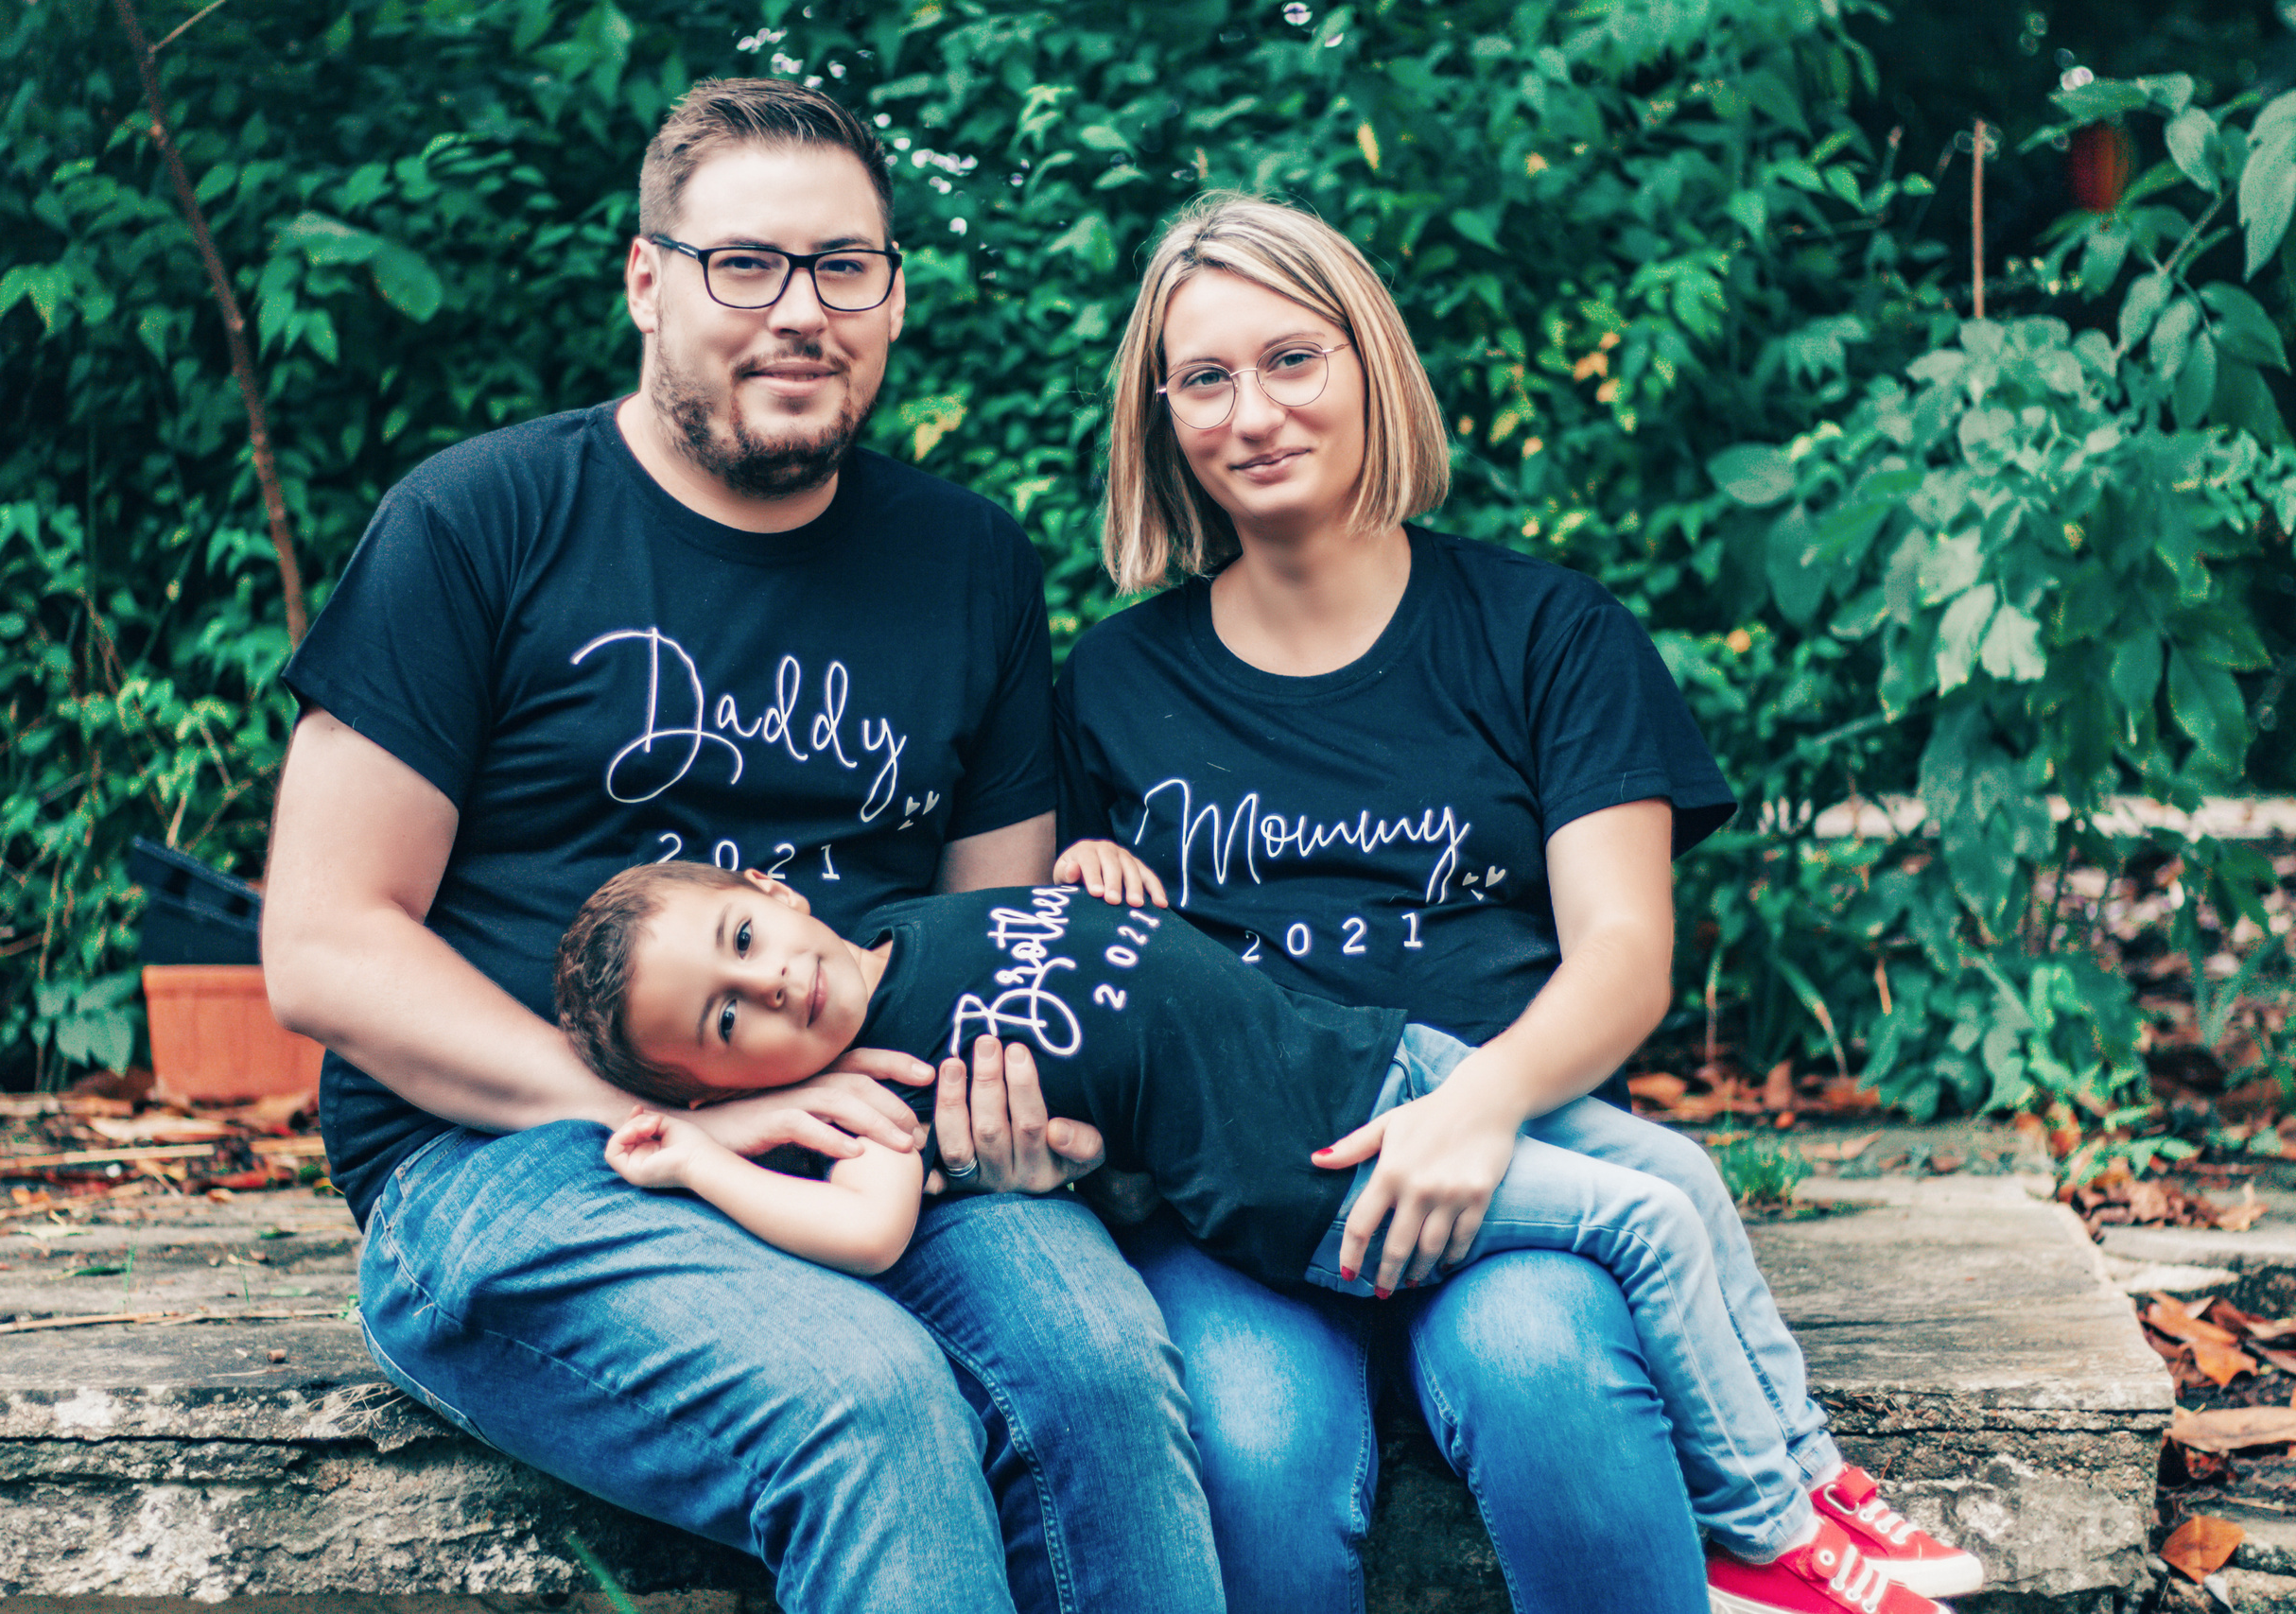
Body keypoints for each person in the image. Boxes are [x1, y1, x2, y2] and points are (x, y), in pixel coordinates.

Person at [257, 78, 1225, 1614]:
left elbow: (999, 948)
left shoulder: (962, 559)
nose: (801, 312)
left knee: (1100, 1370)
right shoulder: (481, 523)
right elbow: (324, 943)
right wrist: (683, 1134)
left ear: (894, 296)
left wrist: (1017, 1122)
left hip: (876, 1138)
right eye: (745, 265)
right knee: (870, 1401)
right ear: (647, 280)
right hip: (515, 1157)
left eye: (846, 267)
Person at [1029, 191, 1983, 1614]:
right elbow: (1073, 972)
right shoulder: (1109, 684)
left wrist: (1473, 1111)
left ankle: (1770, 1539)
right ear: (1160, 414)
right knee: (1253, 1437)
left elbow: (1624, 952)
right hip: (1241, 1192)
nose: (1254, 411)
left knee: (1548, 1370)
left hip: (1508, 1141)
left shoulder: (1546, 634)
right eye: (1206, 377)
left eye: (1294, 359)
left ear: (1371, 363)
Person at [554, 858, 1980, 1614]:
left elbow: (1096, 981)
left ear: (774, 896)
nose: (770, 989)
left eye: (742, 944)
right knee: (1648, 1223)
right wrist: (699, 1158)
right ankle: (1763, 1534)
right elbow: (867, 1237)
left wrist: (1095, 869)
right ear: (712, 1079)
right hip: (1336, 1185)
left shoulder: (913, 925)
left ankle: (1811, 1475)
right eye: (723, 1028)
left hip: (1377, 1062)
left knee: (1675, 1177)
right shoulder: (880, 1100)